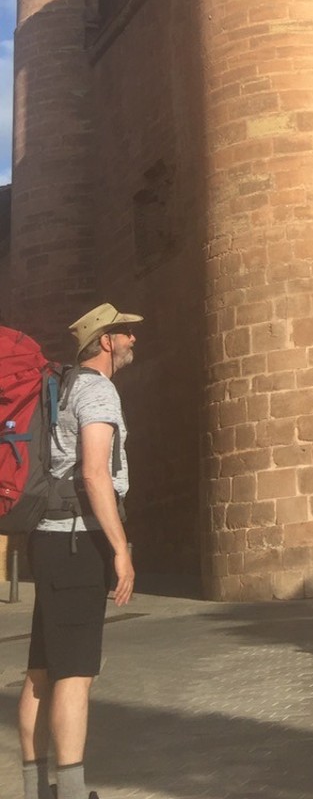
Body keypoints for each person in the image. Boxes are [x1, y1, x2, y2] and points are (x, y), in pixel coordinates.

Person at [17, 304, 141, 799]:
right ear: (106, 341)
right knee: (75, 673)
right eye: (126, 333)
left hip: (47, 539)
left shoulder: (62, 386)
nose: (134, 339)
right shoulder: (96, 388)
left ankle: (36, 789)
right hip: (75, 540)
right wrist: (120, 550)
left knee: (42, 670)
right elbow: (94, 473)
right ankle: (69, 793)